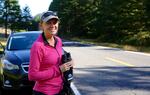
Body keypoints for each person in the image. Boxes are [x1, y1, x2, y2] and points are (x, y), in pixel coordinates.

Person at [28, 11, 74, 95]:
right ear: (41, 25)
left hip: (60, 89)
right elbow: (32, 75)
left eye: (55, 22)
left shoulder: (58, 40)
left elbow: (56, 61)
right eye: (48, 23)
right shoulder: (38, 46)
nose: (52, 25)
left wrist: (68, 63)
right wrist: (59, 70)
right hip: (44, 92)